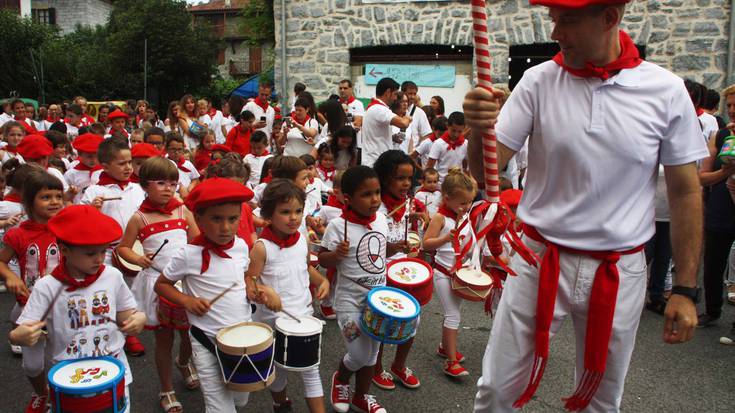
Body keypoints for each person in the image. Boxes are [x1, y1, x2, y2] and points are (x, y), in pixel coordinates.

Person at [464, 2, 706, 412]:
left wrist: (684, 288)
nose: (556, 33)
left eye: (568, 21)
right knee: (496, 392)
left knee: (601, 402)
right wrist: (478, 127)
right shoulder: (538, 81)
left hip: (618, 268)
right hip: (537, 258)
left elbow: (686, 192)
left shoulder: (665, 90)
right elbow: (486, 171)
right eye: (555, 19)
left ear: (610, 18)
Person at [155, 177, 281, 413]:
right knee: (219, 407)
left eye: (232, 219)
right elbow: (162, 285)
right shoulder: (188, 254)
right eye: (216, 219)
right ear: (199, 219)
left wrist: (257, 291)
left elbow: (243, 278)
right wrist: (187, 301)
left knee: (240, 399)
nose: (225, 228)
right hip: (205, 339)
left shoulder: (242, 246)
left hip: (240, 337)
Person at [10, 205, 147, 412]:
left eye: (103, 251)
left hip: (113, 368)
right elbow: (21, 331)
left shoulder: (112, 276)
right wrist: (19, 335)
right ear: (64, 249)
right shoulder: (47, 286)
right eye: (91, 253)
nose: (100, 259)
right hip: (68, 375)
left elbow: (126, 315)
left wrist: (138, 319)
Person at [117, 157, 200, 413]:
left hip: (185, 282)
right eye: (161, 182)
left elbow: (197, 240)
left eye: (173, 183)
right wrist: (139, 258)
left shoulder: (183, 210)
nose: (168, 188)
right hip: (157, 283)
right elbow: (122, 248)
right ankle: (166, 388)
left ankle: (184, 362)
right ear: (144, 185)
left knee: (191, 334)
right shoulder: (139, 218)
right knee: (163, 339)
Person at [319, 165, 396, 413]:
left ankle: (362, 397)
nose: (374, 199)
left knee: (372, 355)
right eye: (366, 194)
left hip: (378, 301)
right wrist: (335, 254)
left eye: (377, 192)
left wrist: (398, 247)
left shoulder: (382, 219)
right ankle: (341, 379)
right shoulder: (337, 226)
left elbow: (381, 252)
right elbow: (322, 259)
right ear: (348, 198)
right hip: (348, 303)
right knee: (359, 353)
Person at [248, 179, 329, 413]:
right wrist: (264, 291)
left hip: (303, 317)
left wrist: (323, 281)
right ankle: (280, 403)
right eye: (285, 212)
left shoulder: (302, 240)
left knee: (311, 369)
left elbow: (307, 269)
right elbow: (249, 282)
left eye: (298, 211)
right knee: (279, 370)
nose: (293, 217)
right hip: (273, 322)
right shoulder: (262, 247)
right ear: (268, 215)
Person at [0, 169, 63, 412]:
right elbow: (2, 262)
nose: (54, 202)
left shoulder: (68, 229)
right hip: (30, 307)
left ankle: (65, 397)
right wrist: (10, 278)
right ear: (29, 201)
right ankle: (41, 393)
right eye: (46, 197)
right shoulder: (18, 234)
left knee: (62, 358)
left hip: (63, 307)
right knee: (32, 365)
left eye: (58, 196)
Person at [372, 150, 425, 391]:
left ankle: (399, 365)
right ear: (384, 179)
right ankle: (376, 366)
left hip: (405, 269)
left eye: (410, 179)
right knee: (385, 321)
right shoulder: (375, 206)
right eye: (400, 178)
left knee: (412, 319)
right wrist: (393, 248)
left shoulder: (407, 202)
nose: (406, 184)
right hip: (383, 271)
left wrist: (412, 217)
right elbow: (373, 250)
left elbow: (406, 230)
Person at [421, 168, 477, 378]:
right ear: (447, 198)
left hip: (458, 273)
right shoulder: (440, 218)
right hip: (443, 273)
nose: (467, 206)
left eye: (469, 202)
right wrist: (444, 239)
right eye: (462, 202)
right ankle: (451, 362)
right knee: (453, 314)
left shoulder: (463, 215)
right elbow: (426, 244)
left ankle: (445, 348)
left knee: (454, 312)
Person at [699, 83, 735, 328]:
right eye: (729, 105)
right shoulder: (720, 135)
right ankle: (712, 310)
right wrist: (726, 172)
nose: (731, 110)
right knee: (713, 263)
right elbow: (702, 176)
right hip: (721, 208)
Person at [361, 78, 411, 167]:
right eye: (395, 94)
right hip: (376, 162)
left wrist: (392, 138)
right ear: (388, 92)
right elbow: (403, 123)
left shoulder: (375, 107)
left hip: (376, 160)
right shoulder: (379, 109)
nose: (395, 98)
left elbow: (377, 135)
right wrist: (408, 117)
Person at [426, 112, 468, 183]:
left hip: (459, 184)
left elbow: (465, 163)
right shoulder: (438, 143)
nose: (456, 134)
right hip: (441, 183)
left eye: (460, 131)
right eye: (453, 130)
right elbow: (429, 167)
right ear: (447, 126)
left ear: (464, 129)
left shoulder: (465, 143)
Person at [64, 133, 104, 204]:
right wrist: (70, 192)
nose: (94, 160)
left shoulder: (104, 171)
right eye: (89, 156)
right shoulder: (71, 174)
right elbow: (64, 197)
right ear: (79, 154)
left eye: (96, 156)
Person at [401, 81, 434, 152]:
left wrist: (417, 151)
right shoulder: (392, 110)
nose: (412, 96)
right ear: (402, 93)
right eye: (410, 93)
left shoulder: (420, 112)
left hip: (411, 155)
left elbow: (426, 135)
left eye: (414, 94)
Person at [165, 132, 200, 198]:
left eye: (179, 149)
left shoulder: (187, 164)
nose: (176, 152)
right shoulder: (163, 165)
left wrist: (191, 186)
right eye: (173, 149)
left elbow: (195, 179)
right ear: (167, 149)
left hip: (188, 195)